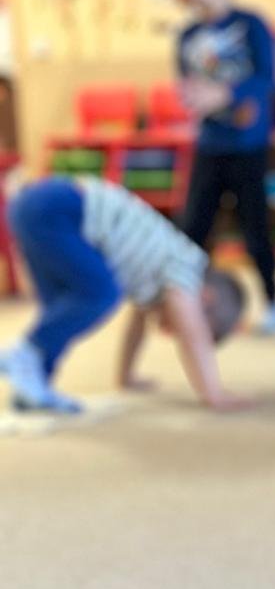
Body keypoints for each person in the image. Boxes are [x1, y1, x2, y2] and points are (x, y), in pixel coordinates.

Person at [0, 176, 248, 414]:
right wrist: (213, 393)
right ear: (205, 297)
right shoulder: (186, 269)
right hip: (61, 208)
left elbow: (136, 326)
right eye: (179, 329)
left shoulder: (156, 282)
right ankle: (24, 352)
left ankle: (32, 385)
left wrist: (126, 376)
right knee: (101, 295)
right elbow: (193, 338)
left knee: (60, 312)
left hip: (36, 206)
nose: (172, 332)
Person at [162, 0, 275, 334]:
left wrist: (225, 94)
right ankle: (191, 305)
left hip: (249, 146)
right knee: (194, 230)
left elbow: (267, 80)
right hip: (209, 146)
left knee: (255, 229)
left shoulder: (250, 24)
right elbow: (187, 87)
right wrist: (196, 99)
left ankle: (273, 305)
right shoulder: (187, 37)